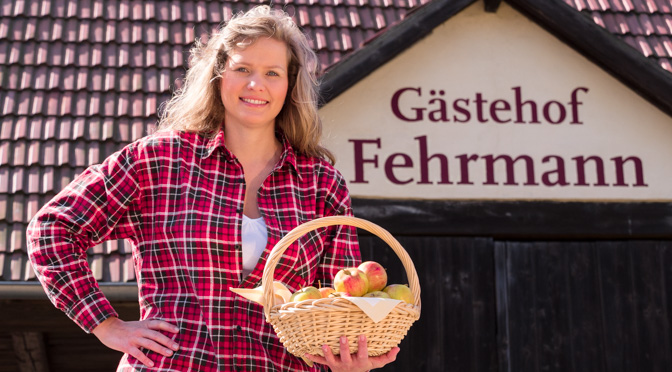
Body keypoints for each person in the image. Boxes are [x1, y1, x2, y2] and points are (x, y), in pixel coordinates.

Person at [26, 5, 399, 372]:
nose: (256, 84)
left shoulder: (320, 184)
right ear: (219, 77)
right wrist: (107, 325)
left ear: (289, 85)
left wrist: (351, 359)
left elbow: (344, 304)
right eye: (242, 69)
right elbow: (52, 230)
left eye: (272, 72)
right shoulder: (159, 161)